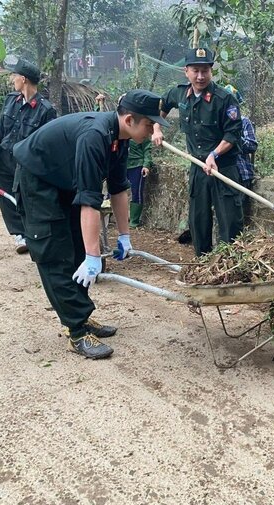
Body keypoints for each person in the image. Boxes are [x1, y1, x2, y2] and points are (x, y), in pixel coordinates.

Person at [12, 90, 169, 360]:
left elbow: (119, 189)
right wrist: (94, 256)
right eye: (149, 123)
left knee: (77, 247)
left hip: (63, 181)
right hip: (38, 180)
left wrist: (125, 236)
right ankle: (75, 331)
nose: (153, 129)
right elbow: (90, 202)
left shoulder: (120, 139)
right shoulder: (94, 137)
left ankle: (80, 317)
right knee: (55, 253)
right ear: (130, 119)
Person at [151, 47, 244, 256]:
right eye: (195, 71)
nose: (200, 76)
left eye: (205, 71)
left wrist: (214, 154)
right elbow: (161, 106)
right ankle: (203, 262)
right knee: (198, 218)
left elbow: (232, 134)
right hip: (197, 167)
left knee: (229, 219)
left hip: (223, 168)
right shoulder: (179, 93)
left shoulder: (225, 99)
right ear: (186, 71)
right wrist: (157, 128)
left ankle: (231, 262)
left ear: (211, 71)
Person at [0, 58, 57, 254]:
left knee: (25, 197)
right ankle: (19, 234)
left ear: (23, 79)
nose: (12, 79)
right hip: (4, 158)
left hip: (25, 163)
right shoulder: (11, 100)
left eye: (14, 76)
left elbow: (47, 145)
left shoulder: (45, 110)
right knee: (3, 192)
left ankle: (34, 234)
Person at [96, 93, 153, 228]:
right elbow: (99, 121)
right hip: (120, 163)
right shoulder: (116, 127)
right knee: (112, 190)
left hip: (136, 164)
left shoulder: (140, 129)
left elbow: (147, 149)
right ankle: (110, 218)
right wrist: (98, 105)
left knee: (136, 191)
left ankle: (133, 221)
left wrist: (146, 164)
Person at [223, 84, 258, 210]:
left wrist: (235, 138)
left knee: (237, 211)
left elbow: (252, 146)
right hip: (221, 172)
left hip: (241, 173)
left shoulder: (243, 122)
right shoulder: (215, 124)